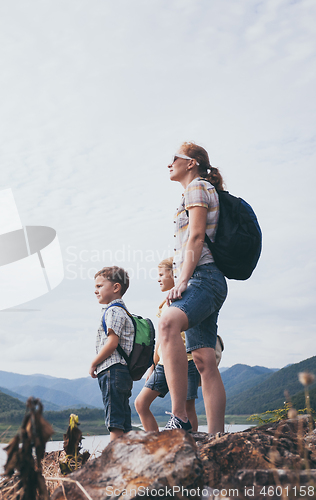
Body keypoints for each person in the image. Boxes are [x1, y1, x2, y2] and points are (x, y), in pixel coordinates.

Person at [159, 142, 228, 434]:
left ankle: (180, 419)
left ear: (191, 163)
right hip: (205, 279)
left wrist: (183, 280)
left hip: (203, 278)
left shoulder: (197, 188)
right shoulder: (194, 190)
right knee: (203, 359)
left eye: (174, 158)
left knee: (168, 324)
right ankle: (216, 436)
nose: (168, 163)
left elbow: (197, 236)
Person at [135, 257, 200, 432]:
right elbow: (161, 341)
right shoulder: (164, 304)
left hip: (186, 361)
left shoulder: (189, 299)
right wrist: (152, 366)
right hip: (163, 365)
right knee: (141, 403)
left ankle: (193, 443)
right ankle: (155, 443)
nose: (158, 279)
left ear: (175, 274)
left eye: (162, 274)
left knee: (187, 408)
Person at [90, 266, 134, 441]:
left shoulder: (113, 311)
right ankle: (128, 458)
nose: (95, 290)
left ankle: (113, 460)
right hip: (122, 371)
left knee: (115, 421)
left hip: (112, 369)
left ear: (116, 287)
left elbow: (112, 343)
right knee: (124, 419)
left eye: (100, 286)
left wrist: (94, 362)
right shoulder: (122, 311)